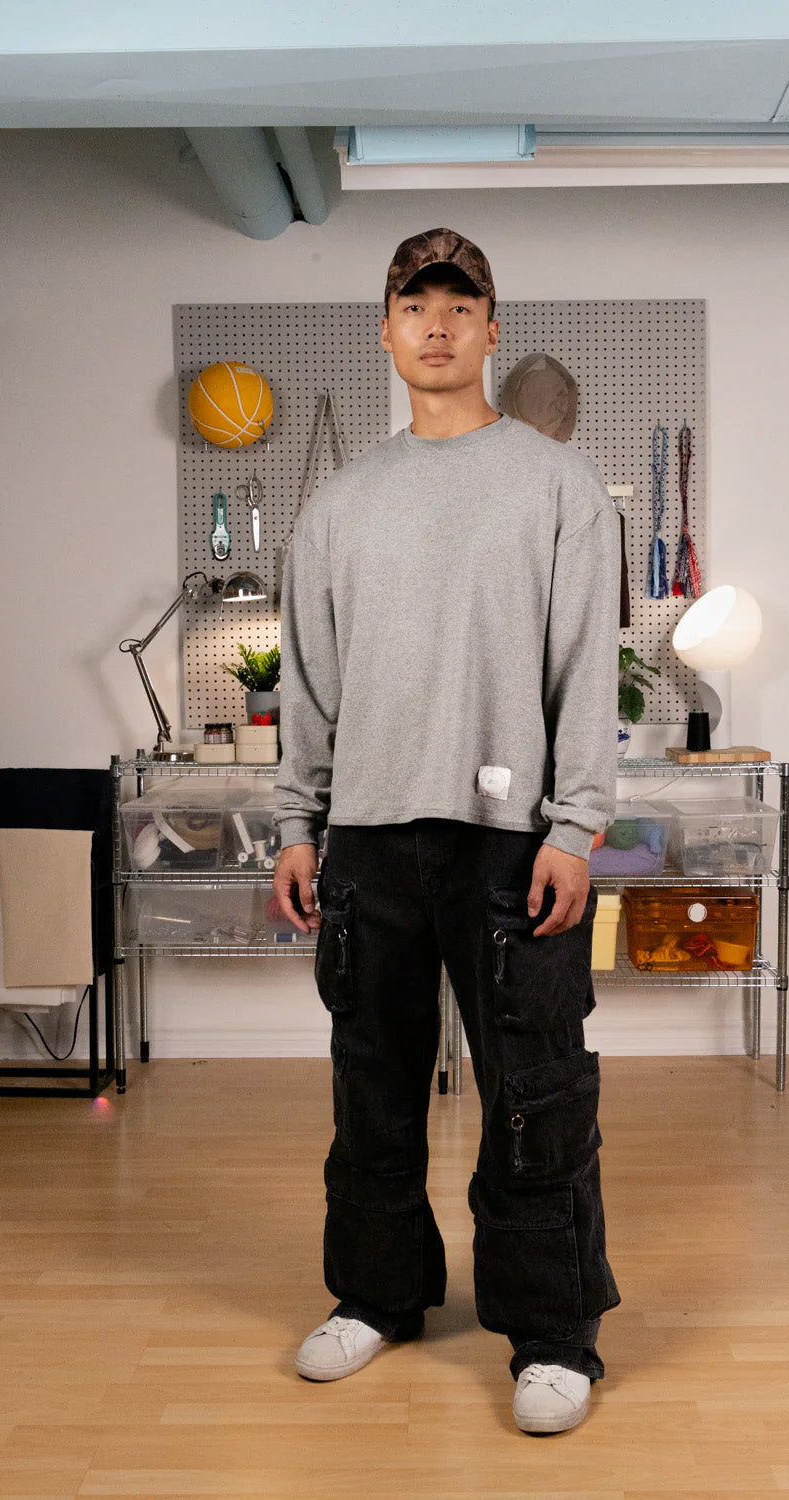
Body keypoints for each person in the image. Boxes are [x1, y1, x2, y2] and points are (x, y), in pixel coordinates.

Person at [271, 227, 621, 1435]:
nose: (434, 323)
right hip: (365, 839)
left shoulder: (556, 484)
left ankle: (552, 1334)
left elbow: (587, 670)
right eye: (413, 303)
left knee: (535, 1090)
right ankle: (377, 1296)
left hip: (509, 845)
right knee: (371, 1086)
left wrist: (575, 827)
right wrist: (297, 823)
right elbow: (311, 684)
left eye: (457, 304)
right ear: (385, 330)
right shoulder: (339, 503)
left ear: (488, 327)